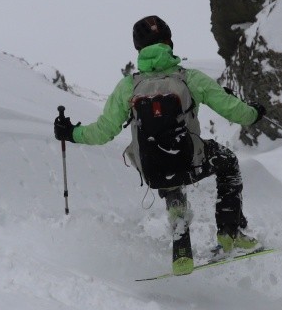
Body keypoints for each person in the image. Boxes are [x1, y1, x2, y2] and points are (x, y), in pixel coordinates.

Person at [54, 15, 266, 274]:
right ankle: (230, 232)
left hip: (152, 170)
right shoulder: (189, 78)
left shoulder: (128, 87)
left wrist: (71, 133)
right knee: (227, 162)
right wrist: (254, 112)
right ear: (168, 42)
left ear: (139, 50)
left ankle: (181, 247)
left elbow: (103, 132)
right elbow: (238, 114)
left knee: (167, 173)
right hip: (190, 159)